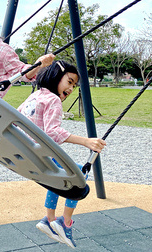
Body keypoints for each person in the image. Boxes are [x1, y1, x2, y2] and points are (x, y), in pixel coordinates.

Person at [19, 61, 107, 248]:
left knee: (59, 178)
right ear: (55, 76)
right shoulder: (53, 100)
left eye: (74, 85)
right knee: (79, 176)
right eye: (69, 81)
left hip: (26, 153)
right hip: (41, 157)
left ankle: (49, 219)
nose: (72, 88)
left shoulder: (34, 96)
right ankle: (64, 222)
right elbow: (52, 132)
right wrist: (86, 141)